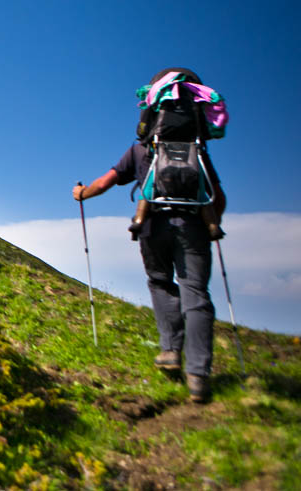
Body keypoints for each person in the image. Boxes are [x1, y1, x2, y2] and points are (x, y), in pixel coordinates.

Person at [72, 68, 226, 403]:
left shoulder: (141, 150)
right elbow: (218, 197)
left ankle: (170, 351)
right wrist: (213, 223)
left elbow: (104, 183)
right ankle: (198, 376)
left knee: (159, 282)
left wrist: (81, 193)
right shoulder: (198, 153)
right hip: (194, 227)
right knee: (196, 295)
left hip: (152, 225)